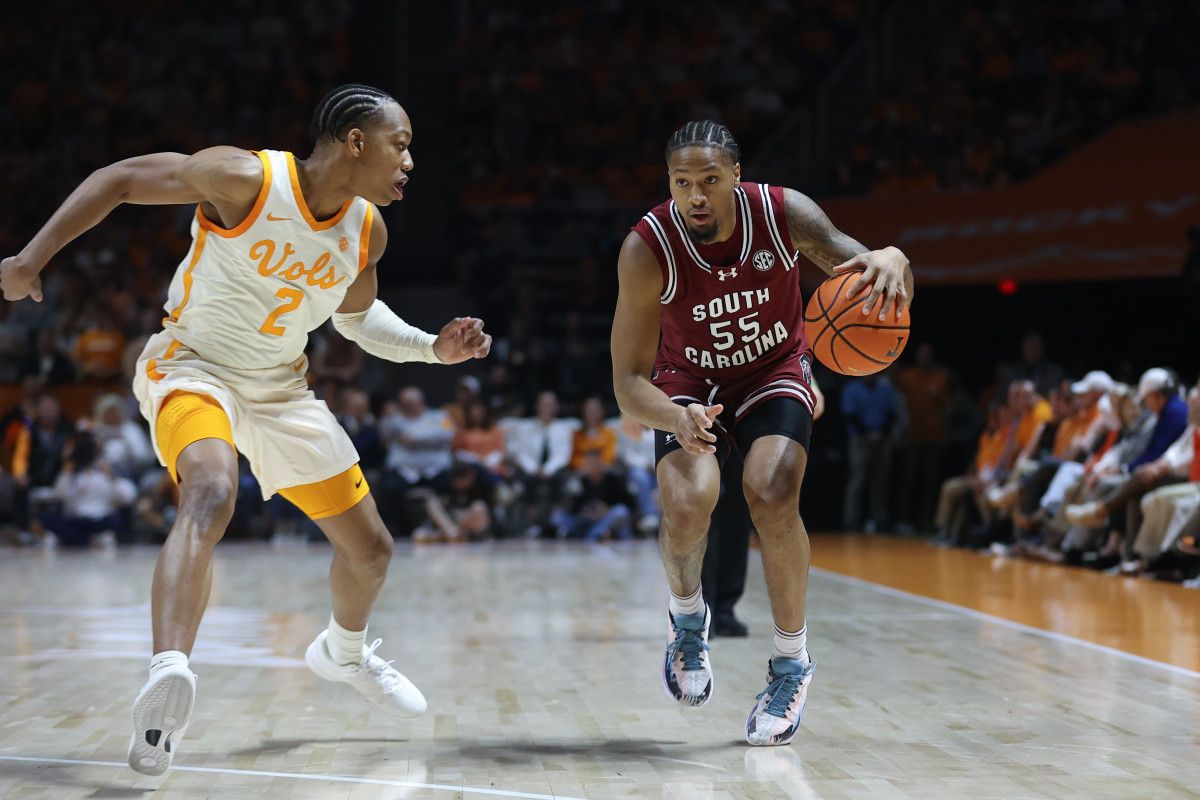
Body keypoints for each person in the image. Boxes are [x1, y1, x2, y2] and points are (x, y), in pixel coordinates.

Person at [0, 83, 492, 776]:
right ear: (357, 142)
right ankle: (167, 675)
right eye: (401, 145)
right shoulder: (246, 178)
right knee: (209, 490)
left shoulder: (367, 229)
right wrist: (28, 260)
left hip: (281, 390)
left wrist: (429, 348)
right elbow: (117, 181)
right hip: (192, 365)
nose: (410, 162)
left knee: (372, 551)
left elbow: (355, 318)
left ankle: (342, 655)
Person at [611, 120, 912, 746]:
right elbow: (628, 383)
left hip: (774, 368)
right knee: (689, 503)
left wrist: (896, 258)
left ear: (736, 179)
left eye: (710, 181)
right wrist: (675, 418)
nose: (696, 195)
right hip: (686, 379)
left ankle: (791, 663)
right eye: (682, 182)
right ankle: (688, 620)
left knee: (772, 495)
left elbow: (877, 280)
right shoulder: (648, 247)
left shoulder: (784, 214)